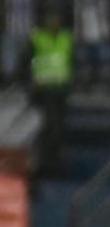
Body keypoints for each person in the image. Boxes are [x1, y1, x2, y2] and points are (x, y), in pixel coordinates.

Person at [28, 7, 73, 175]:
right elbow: (27, 61)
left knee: (57, 128)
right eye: (51, 18)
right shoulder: (38, 38)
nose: (55, 22)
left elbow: (70, 60)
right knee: (44, 127)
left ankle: (54, 160)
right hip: (42, 90)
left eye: (57, 18)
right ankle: (41, 161)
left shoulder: (66, 38)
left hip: (60, 89)